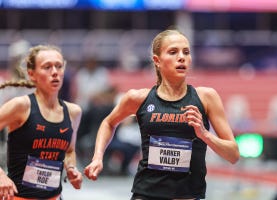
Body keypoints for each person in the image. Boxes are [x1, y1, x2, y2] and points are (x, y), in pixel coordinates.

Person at [84, 29, 240, 200]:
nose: (181, 57)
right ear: (157, 60)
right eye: (173, 52)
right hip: (146, 194)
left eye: (186, 52)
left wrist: (204, 134)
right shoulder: (138, 98)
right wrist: (97, 157)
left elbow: (233, 155)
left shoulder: (206, 98)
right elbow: (108, 123)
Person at [0, 44, 82, 200]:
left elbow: (69, 150)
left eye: (59, 66)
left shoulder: (73, 112)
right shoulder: (21, 106)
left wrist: (71, 168)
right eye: (47, 67)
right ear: (32, 74)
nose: (55, 72)